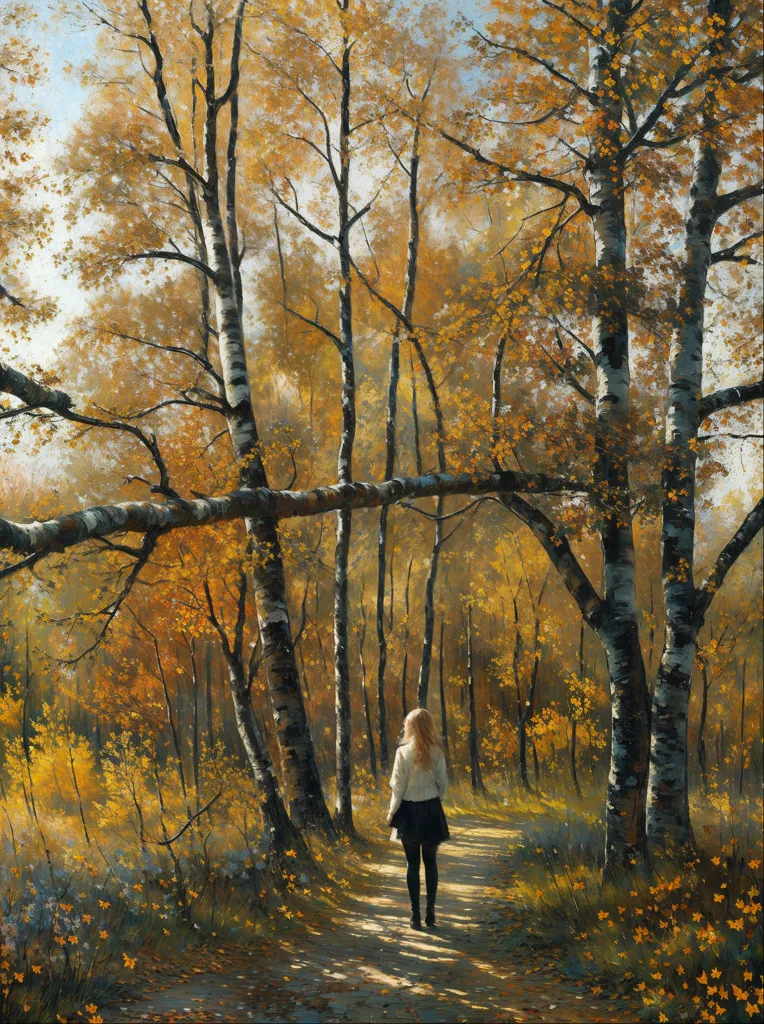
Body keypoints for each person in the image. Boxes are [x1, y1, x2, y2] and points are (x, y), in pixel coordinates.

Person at [386, 708, 450, 930]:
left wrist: (392, 811)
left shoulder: (402, 753)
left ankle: (415, 916)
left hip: (409, 812)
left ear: (410, 727)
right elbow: (444, 784)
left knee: (412, 864)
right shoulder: (437, 752)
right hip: (431, 810)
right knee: (430, 861)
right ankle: (430, 912)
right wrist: (435, 801)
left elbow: (398, 787)